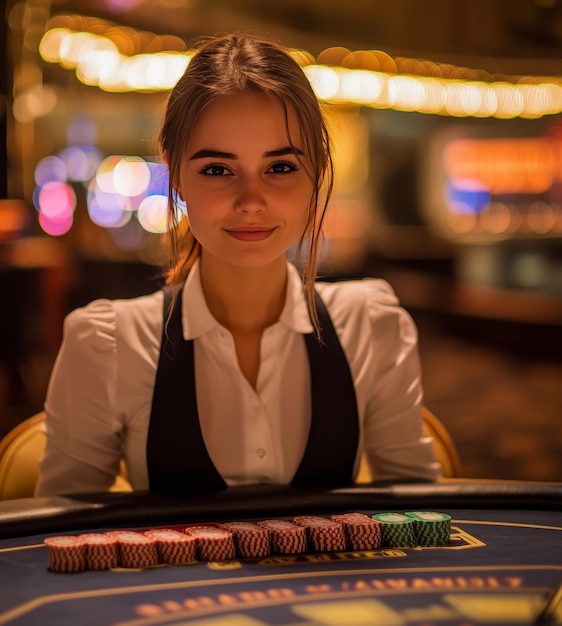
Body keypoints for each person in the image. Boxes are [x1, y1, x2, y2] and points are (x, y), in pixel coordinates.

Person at [35, 33, 440, 497]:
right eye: (217, 169)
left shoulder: (372, 325)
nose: (251, 201)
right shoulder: (105, 345)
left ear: (317, 173)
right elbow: (61, 539)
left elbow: (417, 519)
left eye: (281, 167)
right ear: (177, 175)